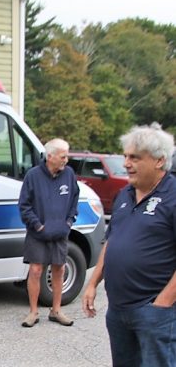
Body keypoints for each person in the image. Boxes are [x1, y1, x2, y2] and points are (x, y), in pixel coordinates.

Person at [82, 123, 176, 366]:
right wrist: (92, 283)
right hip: (118, 309)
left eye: (134, 157)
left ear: (159, 161)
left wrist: (163, 303)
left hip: (154, 310)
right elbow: (112, 241)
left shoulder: (173, 195)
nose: (126, 163)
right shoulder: (124, 194)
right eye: (125, 156)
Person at [19, 138, 79, 327]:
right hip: (38, 234)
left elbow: (74, 199)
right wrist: (37, 226)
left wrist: (68, 222)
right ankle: (33, 312)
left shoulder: (69, 175)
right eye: (63, 156)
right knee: (35, 271)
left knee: (59, 269)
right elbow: (24, 205)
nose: (66, 160)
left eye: (66, 156)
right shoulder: (33, 176)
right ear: (50, 156)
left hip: (60, 233)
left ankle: (56, 311)